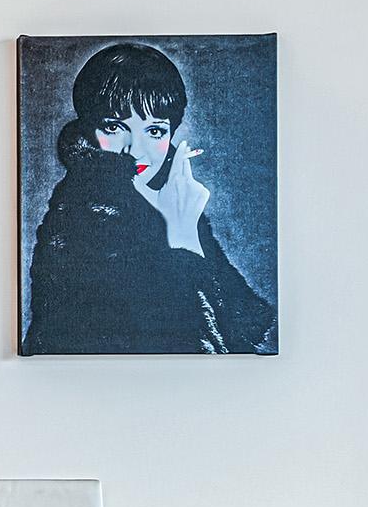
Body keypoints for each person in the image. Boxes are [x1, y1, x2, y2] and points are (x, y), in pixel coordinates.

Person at [22, 41, 273, 355]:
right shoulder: (83, 217)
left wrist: (187, 233)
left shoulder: (169, 200)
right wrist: (182, 239)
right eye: (114, 127)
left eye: (154, 131)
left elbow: (245, 326)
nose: (135, 150)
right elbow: (162, 345)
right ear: (88, 130)